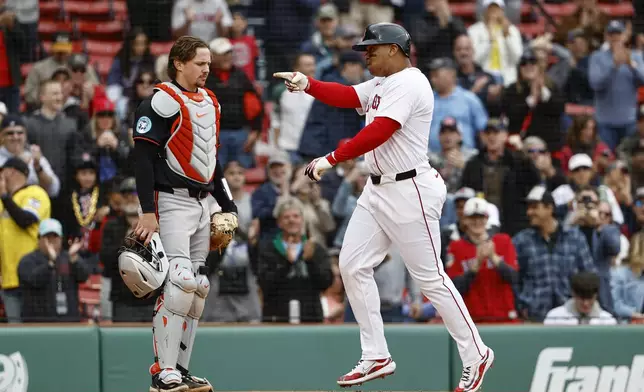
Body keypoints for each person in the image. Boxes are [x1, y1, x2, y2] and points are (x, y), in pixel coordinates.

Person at [274, 22, 494, 392]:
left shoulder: (411, 82)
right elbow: (346, 96)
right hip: (378, 190)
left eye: (372, 49)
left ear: (394, 49)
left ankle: (476, 354)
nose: (367, 54)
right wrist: (307, 83)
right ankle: (376, 354)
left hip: (410, 189)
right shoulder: (381, 83)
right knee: (351, 264)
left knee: (431, 280)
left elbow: (381, 130)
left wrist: (331, 159)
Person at [131, 35, 238, 392]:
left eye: (209, 63)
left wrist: (228, 204)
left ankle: (181, 369)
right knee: (179, 282)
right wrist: (147, 211)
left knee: (199, 286)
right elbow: (143, 157)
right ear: (178, 62)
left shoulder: (210, 101)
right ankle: (162, 373)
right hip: (170, 199)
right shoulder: (161, 100)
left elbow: (211, 161)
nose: (207, 69)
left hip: (202, 201)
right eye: (200, 63)